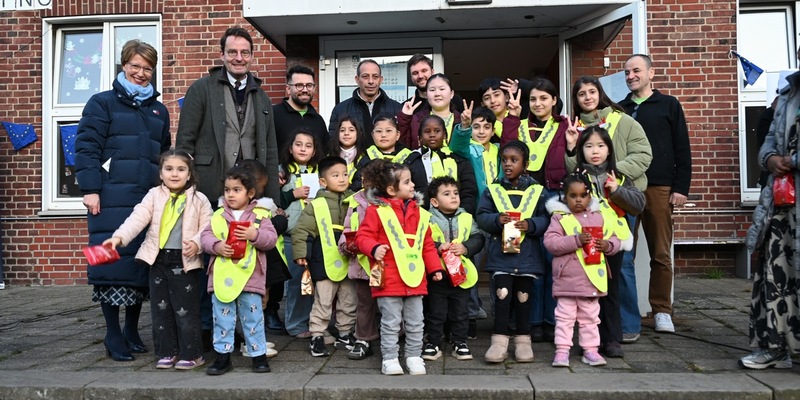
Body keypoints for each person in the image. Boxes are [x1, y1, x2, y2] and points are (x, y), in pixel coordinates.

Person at [75, 39, 171, 362]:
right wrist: (90, 188)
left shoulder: (159, 110)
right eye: (135, 66)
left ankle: (132, 329)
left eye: (147, 68)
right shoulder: (101, 103)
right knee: (109, 261)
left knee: (139, 263)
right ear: (123, 65)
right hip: (109, 196)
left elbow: (165, 156)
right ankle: (112, 333)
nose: (141, 73)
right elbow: (86, 147)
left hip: (146, 198)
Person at [103, 149, 212, 370]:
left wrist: (198, 243)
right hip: (158, 260)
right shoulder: (153, 195)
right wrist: (118, 237)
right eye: (168, 169)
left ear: (189, 174)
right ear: (161, 173)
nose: (174, 174)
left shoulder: (199, 199)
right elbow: (138, 217)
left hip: (185, 261)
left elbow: (209, 227)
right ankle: (167, 351)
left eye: (181, 169)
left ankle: (192, 353)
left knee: (186, 311)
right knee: (160, 310)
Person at [619, 54, 692, 336]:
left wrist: (680, 188)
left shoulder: (669, 105)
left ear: (651, 73)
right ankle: (625, 313)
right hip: (626, 188)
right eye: (627, 72)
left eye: (636, 70)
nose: (631, 76)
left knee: (660, 253)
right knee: (624, 252)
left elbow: (682, 147)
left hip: (660, 187)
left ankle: (661, 310)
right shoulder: (620, 108)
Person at [355, 159, 442, 376]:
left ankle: (413, 356)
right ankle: (390, 358)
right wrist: (374, 248)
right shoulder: (376, 212)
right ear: (392, 189)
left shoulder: (420, 214)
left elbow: (427, 244)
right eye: (407, 182)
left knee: (416, 322)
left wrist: (435, 268)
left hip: (414, 278)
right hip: (389, 278)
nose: (413, 185)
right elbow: (362, 237)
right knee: (391, 322)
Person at [176, 27, 280, 204]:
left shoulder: (262, 98)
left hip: (250, 192)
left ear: (252, 56)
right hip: (208, 188)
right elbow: (185, 143)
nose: (239, 58)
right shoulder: (201, 89)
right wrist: (184, 190)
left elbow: (270, 151)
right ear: (222, 55)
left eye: (245, 53)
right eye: (232, 52)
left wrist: (274, 201)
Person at [501, 77, 570, 342]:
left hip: (554, 196)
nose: (538, 103)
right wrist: (511, 117)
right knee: (527, 261)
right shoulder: (518, 125)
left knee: (553, 260)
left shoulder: (565, 126)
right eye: (533, 99)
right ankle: (529, 321)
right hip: (523, 197)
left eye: (544, 98)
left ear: (554, 101)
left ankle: (551, 320)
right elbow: (507, 151)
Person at [742, 70, 800, 370]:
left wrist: (794, 161)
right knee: (775, 275)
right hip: (782, 205)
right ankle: (774, 346)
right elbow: (768, 141)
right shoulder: (788, 96)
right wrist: (771, 159)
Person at [574, 126, 646, 358]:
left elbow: (638, 204)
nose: (595, 151)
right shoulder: (576, 178)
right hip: (584, 244)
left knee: (611, 291)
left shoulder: (620, 177)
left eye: (601, 146)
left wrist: (616, 191)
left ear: (609, 150)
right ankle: (589, 340)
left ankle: (612, 339)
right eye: (588, 146)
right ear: (581, 150)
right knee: (586, 293)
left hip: (612, 244)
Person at [543, 172, 628, 368]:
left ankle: (590, 350)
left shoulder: (600, 218)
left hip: (591, 279)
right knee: (564, 318)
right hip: (567, 280)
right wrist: (575, 240)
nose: (578, 200)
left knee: (590, 317)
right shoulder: (560, 219)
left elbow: (615, 238)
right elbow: (551, 242)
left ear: (590, 196)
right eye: (573, 196)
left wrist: (607, 246)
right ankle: (562, 350)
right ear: (565, 197)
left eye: (582, 195)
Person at [476, 141, 549, 364]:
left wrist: (532, 225)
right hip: (501, 256)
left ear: (525, 165)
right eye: (504, 160)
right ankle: (499, 341)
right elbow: (481, 216)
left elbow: (547, 219)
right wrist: (496, 220)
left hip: (527, 256)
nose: (508, 164)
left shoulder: (538, 192)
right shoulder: (493, 190)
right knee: (502, 296)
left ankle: (523, 341)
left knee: (523, 298)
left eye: (514, 160)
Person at [201, 166, 278, 375]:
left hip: (250, 277)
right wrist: (217, 246)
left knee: (252, 317)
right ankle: (222, 356)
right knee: (222, 318)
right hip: (222, 277)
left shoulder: (261, 217)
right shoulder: (217, 216)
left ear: (250, 193)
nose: (231, 194)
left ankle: (258, 355)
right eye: (227, 190)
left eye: (236, 190)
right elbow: (205, 237)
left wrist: (255, 234)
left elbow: (271, 240)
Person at [292, 156, 357, 357]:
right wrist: (302, 254)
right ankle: (317, 335)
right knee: (323, 300)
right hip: (323, 261)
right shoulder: (316, 205)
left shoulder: (354, 201)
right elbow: (302, 231)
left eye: (345, 174)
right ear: (322, 181)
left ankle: (345, 333)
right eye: (335, 175)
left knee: (349, 299)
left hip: (349, 260)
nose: (341, 179)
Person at [422, 176, 484, 362]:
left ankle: (460, 342)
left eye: (456, 193)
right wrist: (437, 245)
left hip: (461, 274)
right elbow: (420, 240)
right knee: (436, 311)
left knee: (460, 311)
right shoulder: (427, 218)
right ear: (434, 201)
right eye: (447, 194)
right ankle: (433, 341)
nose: (454, 197)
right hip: (437, 274)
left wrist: (466, 247)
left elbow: (478, 237)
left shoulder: (466, 217)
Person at [235, 159, 288, 358]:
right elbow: (271, 230)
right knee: (254, 303)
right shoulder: (262, 208)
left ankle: (256, 339)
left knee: (259, 303)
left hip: (261, 264)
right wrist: (281, 219)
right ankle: (252, 343)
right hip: (257, 263)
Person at [279, 129, 323, 339]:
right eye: (299, 144)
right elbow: (273, 199)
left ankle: (312, 321)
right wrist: (291, 194)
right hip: (291, 235)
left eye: (308, 145)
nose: (303, 148)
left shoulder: (320, 172)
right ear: (290, 148)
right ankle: (296, 324)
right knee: (297, 282)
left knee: (313, 281)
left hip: (314, 235)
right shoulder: (281, 171)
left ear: (314, 151)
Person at [338, 166, 380, 360]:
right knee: (364, 303)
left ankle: (398, 336)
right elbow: (348, 228)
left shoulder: (391, 202)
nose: (368, 186)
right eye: (364, 181)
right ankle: (363, 338)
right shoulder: (355, 202)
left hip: (385, 263)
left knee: (392, 304)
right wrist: (346, 246)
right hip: (361, 262)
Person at [404, 115, 478, 214]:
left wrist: (463, 214)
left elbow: (469, 191)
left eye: (437, 131)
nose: (432, 135)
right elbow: (406, 193)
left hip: (459, 217)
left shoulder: (458, 159)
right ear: (419, 137)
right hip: (424, 217)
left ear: (444, 135)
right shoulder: (411, 161)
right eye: (427, 131)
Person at [328, 60, 403, 140]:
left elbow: (402, 140)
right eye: (365, 76)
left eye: (375, 77)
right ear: (357, 79)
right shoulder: (340, 110)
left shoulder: (397, 108)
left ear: (381, 80)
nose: (371, 81)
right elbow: (334, 142)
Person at [349, 114, 412, 192]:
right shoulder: (366, 159)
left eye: (388, 131)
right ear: (372, 135)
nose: (383, 135)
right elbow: (356, 186)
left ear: (397, 135)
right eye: (379, 131)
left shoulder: (410, 158)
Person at [398, 73, 462, 149]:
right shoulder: (416, 120)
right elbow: (402, 146)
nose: (437, 94)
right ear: (427, 95)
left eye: (442, 89)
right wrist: (405, 118)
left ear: (451, 94)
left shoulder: (462, 120)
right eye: (432, 90)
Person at [274, 65, 329, 151]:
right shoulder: (274, 115)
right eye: (299, 85)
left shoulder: (318, 120)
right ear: (288, 89)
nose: (305, 90)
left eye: (309, 85)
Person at [326, 115, 368, 183]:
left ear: (359, 134)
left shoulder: (366, 158)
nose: (346, 133)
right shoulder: (329, 158)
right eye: (342, 130)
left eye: (351, 130)